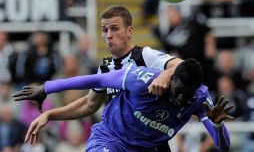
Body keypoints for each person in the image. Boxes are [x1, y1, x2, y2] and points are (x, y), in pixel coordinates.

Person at [13, 5, 182, 151]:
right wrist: (50, 114)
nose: (108, 35)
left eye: (114, 28)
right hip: (117, 141)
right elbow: (89, 104)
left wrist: (166, 74)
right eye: (105, 30)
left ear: (129, 31)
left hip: (150, 143)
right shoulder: (106, 67)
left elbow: (182, 66)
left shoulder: (145, 55)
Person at [13, 59, 233, 152]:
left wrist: (217, 125)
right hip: (111, 138)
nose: (182, 99)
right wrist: (48, 87)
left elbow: (223, 146)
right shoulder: (141, 78)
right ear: (170, 79)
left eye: (188, 95)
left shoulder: (201, 98)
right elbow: (97, 81)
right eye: (179, 91)